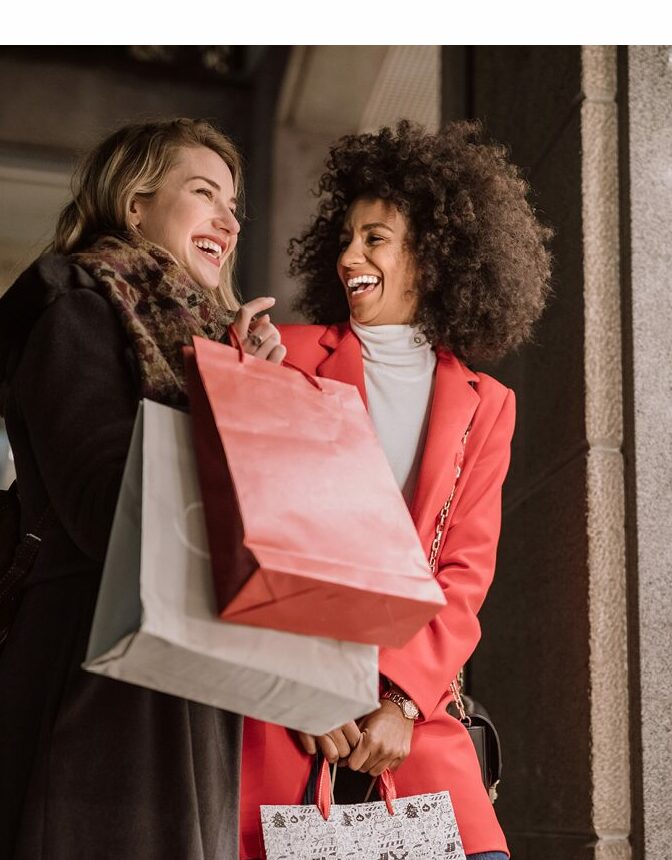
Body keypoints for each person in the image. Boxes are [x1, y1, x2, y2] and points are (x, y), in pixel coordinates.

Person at [240, 120, 552, 860]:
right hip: (292, 712)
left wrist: (407, 703)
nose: (351, 256)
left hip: (411, 714)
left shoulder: (488, 404)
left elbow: (464, 574)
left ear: (434, 255)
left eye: (375, 238)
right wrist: (301, 688)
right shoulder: (283, 355)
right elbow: (246, 536)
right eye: (345, 238)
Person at [0, 118, 285, 860]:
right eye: (203, 193)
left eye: (235, 205)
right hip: (94, 670)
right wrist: (228, 393)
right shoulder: (73, 301)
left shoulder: (202, 335)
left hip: (186, 673)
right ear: (135, 205)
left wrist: (248, 386)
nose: (228, 218)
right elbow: (104, 507)